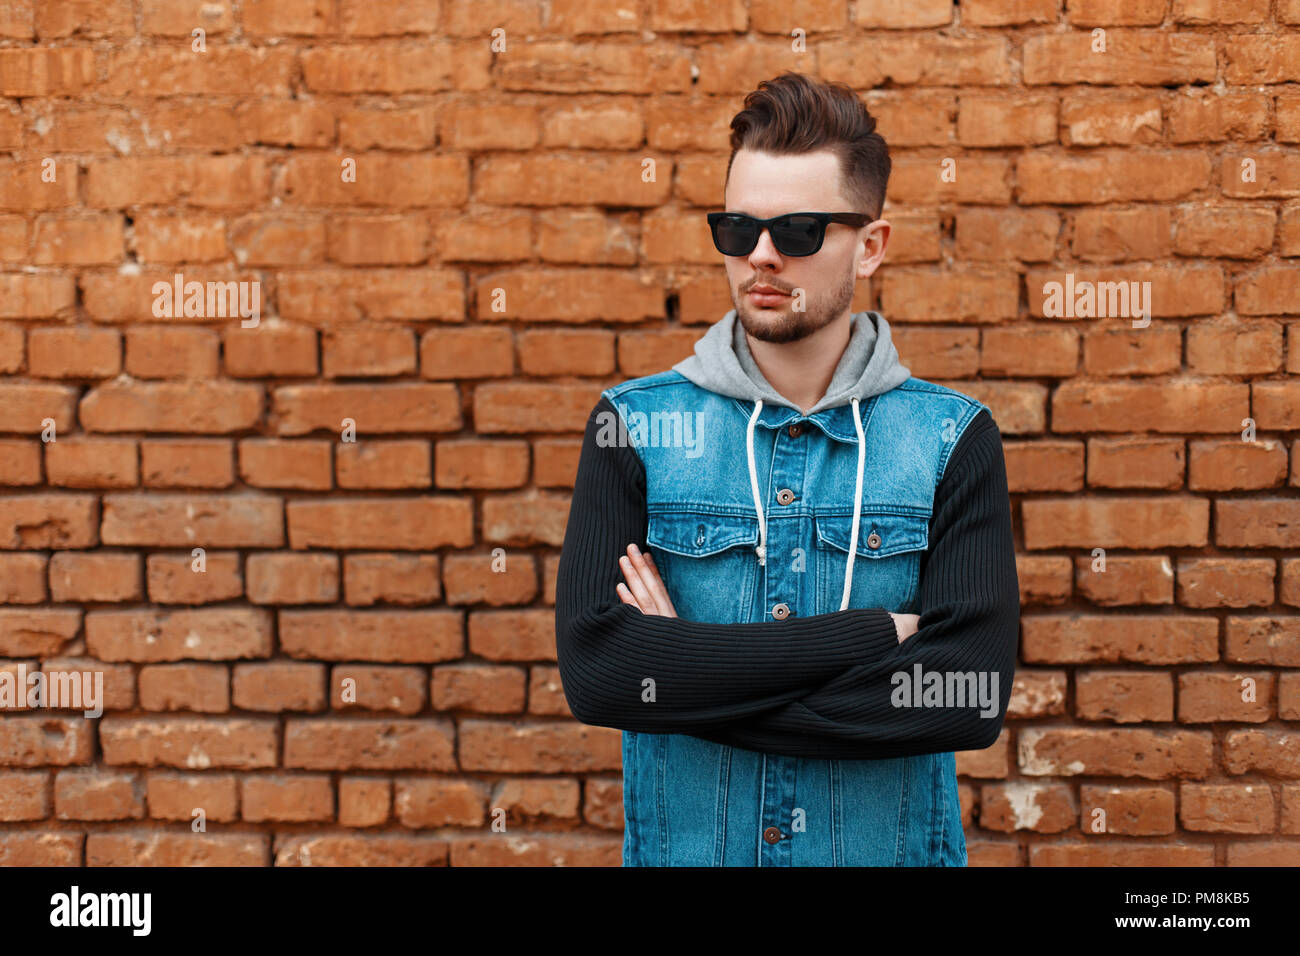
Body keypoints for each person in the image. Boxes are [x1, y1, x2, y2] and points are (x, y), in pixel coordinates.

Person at [555, 72, 1020, 866]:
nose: (761, 257)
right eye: (737, 229)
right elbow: (601, 677)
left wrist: (686, 673)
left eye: (800, 230)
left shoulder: (950, 439)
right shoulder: (633, 428)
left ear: (870, 245)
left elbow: (965, 700)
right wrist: (868, 638)